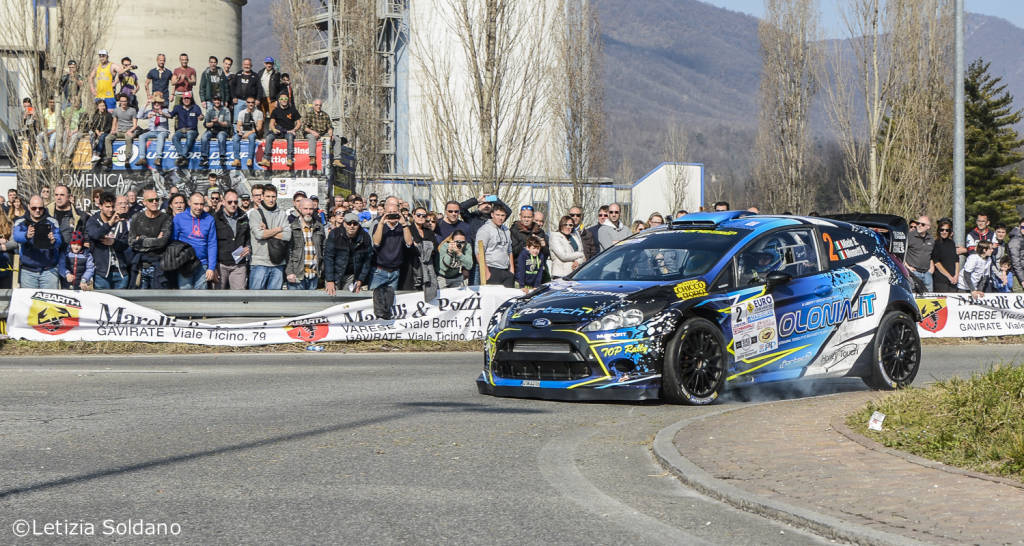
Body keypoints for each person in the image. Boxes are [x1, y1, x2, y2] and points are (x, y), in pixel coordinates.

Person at [370, 201, 413, 318]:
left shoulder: (402, 227)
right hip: (379, 271)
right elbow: (376, 242)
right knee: (374, 301)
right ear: (384, 213)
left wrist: (404, 224)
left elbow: (409, 243)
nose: (392, 216)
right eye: (389, 213)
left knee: (389, 302)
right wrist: (382, 223)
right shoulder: (378, 225)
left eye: (395, 213)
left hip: (395, 271)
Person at [12, 195, 63, 288]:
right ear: (28, 207)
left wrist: (53, 241)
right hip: (28, 271)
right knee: (29, 302)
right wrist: (26, 235)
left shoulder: (52, 221)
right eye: (34, 208)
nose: (37, 210)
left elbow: (59, 239)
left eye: (40, 208)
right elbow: (16, 236)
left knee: (49, 303)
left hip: (49, 271)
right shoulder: (21, 221)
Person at [248, 185, 291, 289]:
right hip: (259, 263)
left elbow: (287, 236)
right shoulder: (255, 214)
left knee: (275, 302)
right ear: (262, 197)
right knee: (255, 300)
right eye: (268, 196)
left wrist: (267, 232)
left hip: (278, 264)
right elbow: (259, 235)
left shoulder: (282, 214)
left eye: (273, 196)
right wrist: (277, 229)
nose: (271, 200)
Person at [85, 191, 131, 289]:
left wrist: (114, 242)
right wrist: (109, 224)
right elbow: (95, 235)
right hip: (101, 272)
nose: (110, 210)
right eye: (107, 207)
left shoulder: (120, 221)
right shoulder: (93, 220)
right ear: (100, 206)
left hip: (120, 272)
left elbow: (126, 243)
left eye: (112, 207)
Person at [171, 192, 217, 289]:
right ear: (189, 203)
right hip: (185, 264)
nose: (199, 207)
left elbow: (212, 244)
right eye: (196, 204)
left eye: (201, 204)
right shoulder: (179, 218)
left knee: (201, 298)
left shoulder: (209, 219)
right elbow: (173, 241)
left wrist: (211, 267)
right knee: (185, 295)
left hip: (202, 264)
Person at [129, 187, 172, 288]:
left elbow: (162, 242)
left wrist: (141, 239)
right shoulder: (136, 217)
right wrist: (155, 240)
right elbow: (131, 242)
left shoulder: (165, 218)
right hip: (140, 267)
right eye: (151, 200)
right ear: (144, 202)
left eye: (156, 200)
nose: (154, 202)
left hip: (158, 266)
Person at [324, 212, 373, 295]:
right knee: (331, 297)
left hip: (352, 275)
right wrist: (329, 280)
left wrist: (360, 279)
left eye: (355, 223)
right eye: (349, 223)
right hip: (335, 273)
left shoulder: (365, 237)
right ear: (344, 224)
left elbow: (367, 260)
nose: (352, 226)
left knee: (347, 300)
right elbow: (328, 257)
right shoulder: (335, 234)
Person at [213, 189, 250, 289]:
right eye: (230, 202)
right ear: (223, 202)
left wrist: (248, 247)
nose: (233, 204)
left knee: (239, 298)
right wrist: (212, 267)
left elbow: (248, 236)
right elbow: (211, 243)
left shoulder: (244, 217)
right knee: (218, 297)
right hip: (221, 265)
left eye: (236, 202)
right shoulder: (215, 218)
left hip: (239, 265)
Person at [285, 198, 325, 290]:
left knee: (311, 304)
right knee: (296, 303)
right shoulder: (292, 227)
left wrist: (321, 269)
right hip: (296, 275)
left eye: (311, 209)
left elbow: (323, 249)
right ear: (299, 209)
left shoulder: (319, 227)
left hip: (314, 274)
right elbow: (287, 252)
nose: (308, 212)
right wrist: (289, 272)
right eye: (305, 209)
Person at [258, 93, 302, 168]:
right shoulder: (275, 111)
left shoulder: (293, 110)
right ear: (279, 101)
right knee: (268, 137)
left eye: (286, 99)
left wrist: (294, 130)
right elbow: (271, 123)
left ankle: (289, 159)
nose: (284, 100)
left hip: (289, 132)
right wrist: (273, 129)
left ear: (288, 100)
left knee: (290, 137)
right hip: (278, 131)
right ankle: (266, 159)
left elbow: (299, 123)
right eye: (282, 99)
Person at [476, 206, 515, 287]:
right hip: (491, 269)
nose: (500, 218)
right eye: (498, 215)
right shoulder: (485, 230)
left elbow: (509, 251)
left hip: (506, 270)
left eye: (502, 215)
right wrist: (486, 272)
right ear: (492, 214)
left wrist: (511, 270)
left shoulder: (507, 230)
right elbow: (479, 252)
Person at [134, 93, 173, 170]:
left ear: (161, 103)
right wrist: (146, 104)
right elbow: (139, 116)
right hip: (153, 131)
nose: (156, 104)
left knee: (160, 136)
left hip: (163, 131)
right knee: (142, 136)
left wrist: (161, 114)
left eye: (158, 103)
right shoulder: (150, 111)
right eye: (155, 103)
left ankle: (158, 158)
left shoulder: (165, 110)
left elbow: (169, 116)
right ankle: (142, 158)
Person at [168, 92, 202, 168]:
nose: (186, 100)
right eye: (185, 98)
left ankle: (182, 156)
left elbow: (201, 116)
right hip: (181, 130)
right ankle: (183, 156)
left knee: (190, 135)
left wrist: (201, 117)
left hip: (192, 130)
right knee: (174, 137)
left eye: (188, 98)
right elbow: (170, 115)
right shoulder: (178, 107)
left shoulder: (195, 107)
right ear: (182, 99)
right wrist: (162, 113)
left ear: (191, 99)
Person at [103, 94, 138, 170]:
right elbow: (114, 122)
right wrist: (113, 130)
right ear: (119, 102)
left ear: (127, 101)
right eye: (122, 101)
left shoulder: (132, 110)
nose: (123, 103)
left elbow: (135, 125)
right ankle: (109, 158)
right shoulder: (116, 110)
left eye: (125, 101)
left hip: (129, 130)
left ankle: (127, 158)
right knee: (107, 138)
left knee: (128, 138)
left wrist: (130, 131)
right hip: (119, 131)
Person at [904, 215, 934, 292]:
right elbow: (901, 253)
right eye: (918, 223)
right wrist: (908, 267)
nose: (919, 225)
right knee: (913, 297)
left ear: (928, 227)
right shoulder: (909, 236)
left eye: (922, 224)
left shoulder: (931, 239)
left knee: (929, 298)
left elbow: (932, 255)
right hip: (913, 273)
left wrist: (931, 268)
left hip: (927, 273)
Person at [200, 97, 233, 169]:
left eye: (218, 100)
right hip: (212, 130)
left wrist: (219, 122)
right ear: (212, 101)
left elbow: (228, 124)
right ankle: (204, 158)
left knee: (221, 136)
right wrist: (212, 123)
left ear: (221, 101)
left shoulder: (225, 110)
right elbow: (206, 124)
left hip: (222, 130)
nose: (217, 101)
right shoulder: (209, 110)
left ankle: (222, 157)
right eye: (215, 100)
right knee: (204, 137)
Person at [231, 97, 263, 169]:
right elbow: (238, 124)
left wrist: (248, 134)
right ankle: (236, 159)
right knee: (235, 137)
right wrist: (239, 131)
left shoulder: (259, 113)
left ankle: (249, 159)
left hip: (253, 131)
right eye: (249, 102)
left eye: (252, 102)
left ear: (255, 103)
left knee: (251, 137)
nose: (251, 104)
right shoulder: (242, 112)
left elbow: (259, 127)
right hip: (243, 131)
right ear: (246, 103)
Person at [304, 99, 334, 173]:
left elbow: (330, 127)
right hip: (311, 133)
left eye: (320, 105)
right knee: (312, 137)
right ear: (313, 106)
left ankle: (336, 159)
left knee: (337, 139)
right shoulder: (309, 114)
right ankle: (312, 157)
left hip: (322, 133)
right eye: (316, 105)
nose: (318, 107)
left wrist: (331, 133)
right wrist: (313, 132)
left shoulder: (325, 115)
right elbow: (305, 128)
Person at [931, 218, 959, 293]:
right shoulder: (936, 244)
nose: (944, 232)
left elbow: (956, 260)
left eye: (947, 230)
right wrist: (949, 277)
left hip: (953, 280)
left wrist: (956, 275)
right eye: (942, 230)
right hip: (941, 281)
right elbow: (937, 263)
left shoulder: (952, 243)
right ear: (938, 231)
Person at [86, 99, 113, 165]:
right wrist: (97, 131)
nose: (103, 107)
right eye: (101, 106)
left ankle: (97, 153)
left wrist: (103, 132)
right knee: (92, 136)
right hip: (96, 132)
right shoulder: (95, 115)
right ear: (98, 107)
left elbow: (110, 126)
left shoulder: (108, 115)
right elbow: (93, 125)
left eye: (104, 106)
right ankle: (94, 153)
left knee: (102, 137)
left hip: (105, 132)